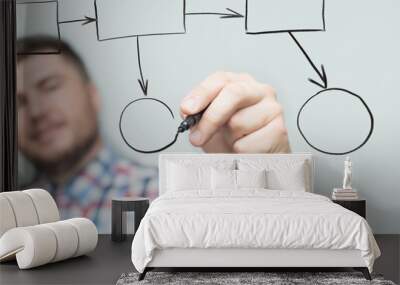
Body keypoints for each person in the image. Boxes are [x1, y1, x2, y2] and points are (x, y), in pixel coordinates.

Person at [16, 37, 290, 232]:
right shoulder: (14, 208)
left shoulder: (167, 194)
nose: (37, 111)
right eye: (16, 102)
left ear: (92, 96)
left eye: (50, 86)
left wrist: (261, 182)